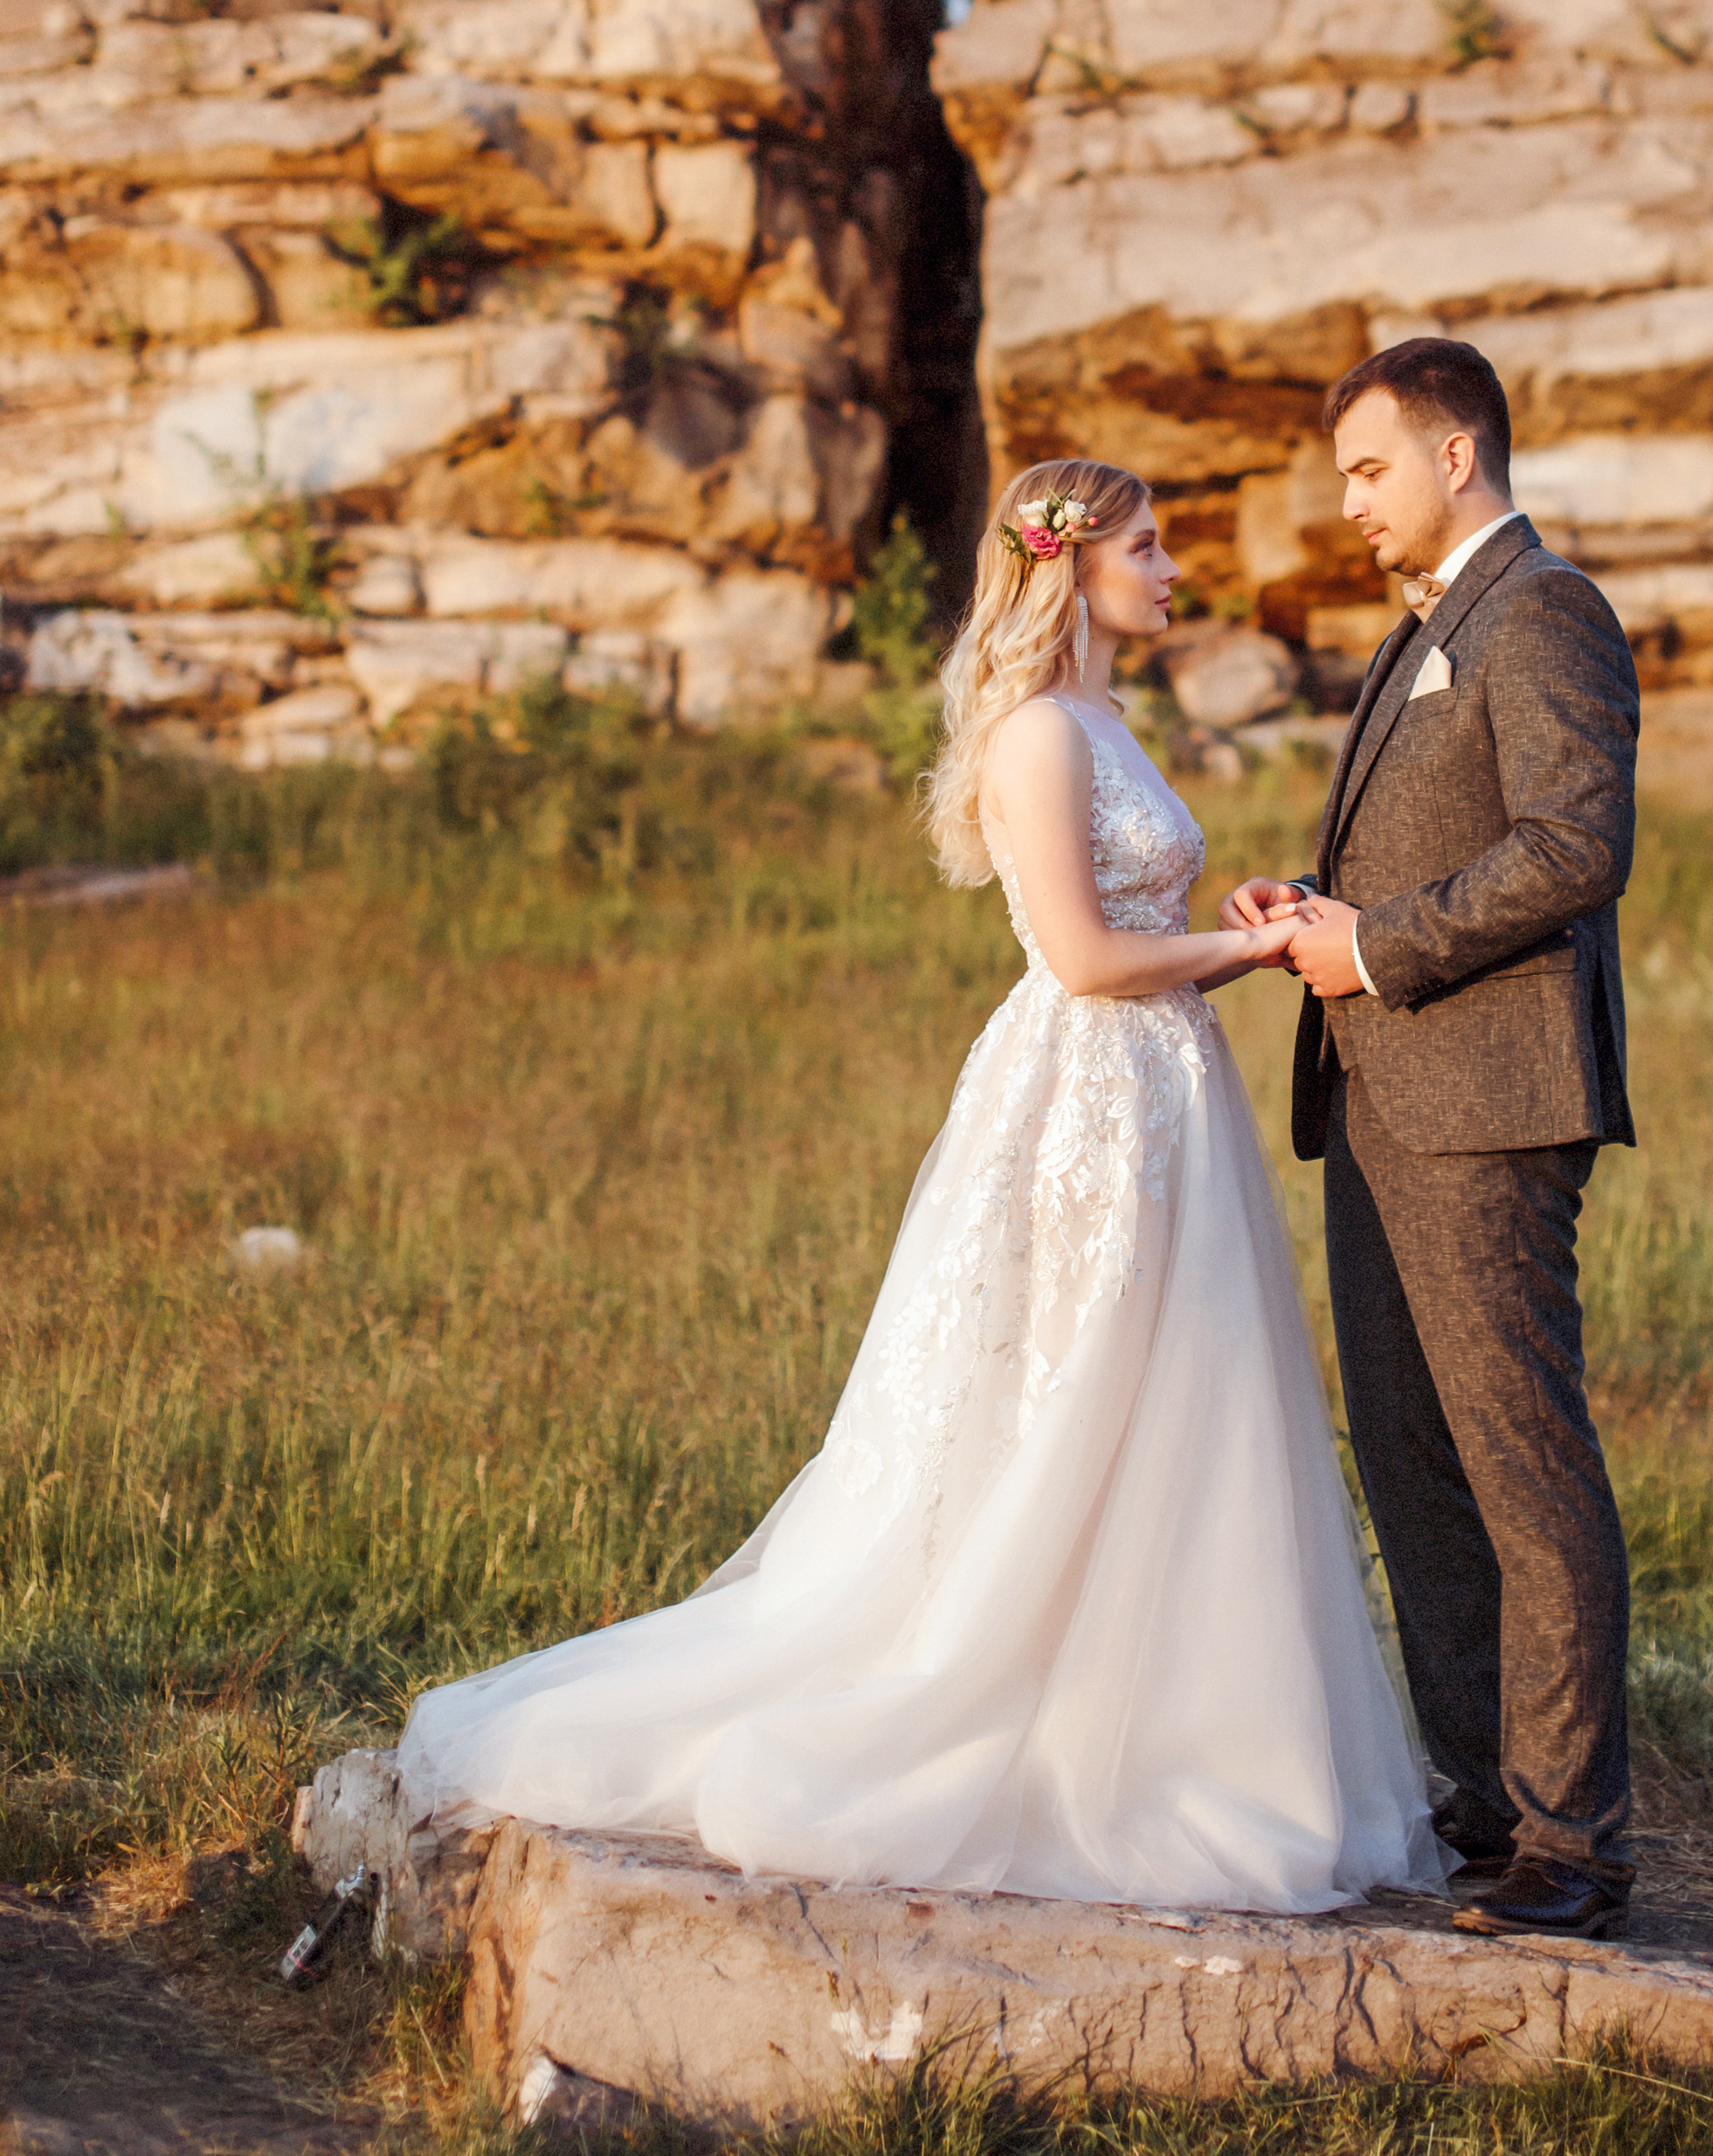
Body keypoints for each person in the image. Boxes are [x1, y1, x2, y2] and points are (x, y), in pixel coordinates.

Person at [396, 457, 1444, 1915]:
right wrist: (1257, 955)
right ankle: (1004, 1700)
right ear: (1069, 565)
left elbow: (1130, 915)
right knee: (1065, 1394)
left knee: (1164, 1404)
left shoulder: (1106, 717)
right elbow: (1077, 961)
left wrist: (1227, 915)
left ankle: (1150, 1706)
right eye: (1146, 546)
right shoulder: (1033, 734)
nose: (1173, 568)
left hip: (1158, 1094)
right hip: (1086, 1092)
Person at [1222, 337, 1640, 1943]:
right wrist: (1313, 912)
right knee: (1415, 1462)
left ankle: (1575, 1841)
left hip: (1488, 1108)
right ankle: (1481, 1791)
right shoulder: (1426, 632)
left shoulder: (1544, 611)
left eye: (1369, 470)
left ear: (1458, 454)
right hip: (1385, 1102)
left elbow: (1575, 843)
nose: (1349, 505)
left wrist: (1379, 946)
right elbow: (1437, 837)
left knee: (1523, 1466)